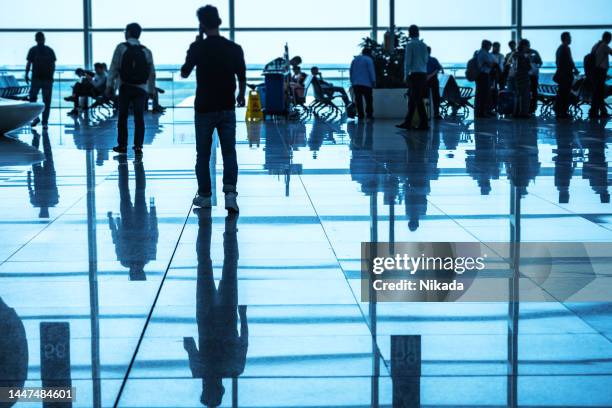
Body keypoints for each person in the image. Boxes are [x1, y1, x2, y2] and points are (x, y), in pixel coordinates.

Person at [181, 5, 246, 213]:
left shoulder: (198, 48)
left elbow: (184, 72)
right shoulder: (233, 48)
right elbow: (242, 75)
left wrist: (194, 46)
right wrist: (241, 95)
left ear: (201, 24)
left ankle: (206, 196)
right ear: (219, 22)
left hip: (204, 108)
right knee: (229, 152)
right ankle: (230, 195)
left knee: (203, 154)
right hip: (227, 106)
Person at [106, 23, 156, 157]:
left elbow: (113, 68)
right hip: (141, 88)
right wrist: (151, 90)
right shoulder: (146, 51)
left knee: (122, 116)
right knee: (139, 117)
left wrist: (110, 86)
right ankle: (138, 146)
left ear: (128, 32)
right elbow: (151, 73)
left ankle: (122, 145)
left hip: (125, 86)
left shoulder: (121, 48)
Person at [396, 25, 429, 130]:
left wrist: (406, 76)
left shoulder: (410, 45)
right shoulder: (424, 45)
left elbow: (407, 62)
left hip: (414, 75)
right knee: (413, 98)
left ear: (410, 33)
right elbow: (426, 60)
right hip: (423, 74)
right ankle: (408, 122)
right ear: (418, 33)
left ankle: (423, 123)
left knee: (416, 98)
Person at [25, 32, 56, 129]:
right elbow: (53, 65)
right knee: (46, 101)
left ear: (36, 39)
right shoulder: (49, 50)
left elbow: (29, 63)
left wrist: (26, 74)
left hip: (37, 79)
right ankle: (44, 122)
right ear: (44, 39)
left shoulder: (33, 50)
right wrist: (51, 76)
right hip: (45, 79)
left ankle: (36, 118)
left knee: (33, 99)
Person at [554, 32, 578, 119]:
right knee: (565, 94)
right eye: (569, 37)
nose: (571, 39)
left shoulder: (559, 49)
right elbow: (570, 61)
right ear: (566, 38)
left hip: (561, 75)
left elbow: (558, 62)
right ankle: (563, 112)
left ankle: (559, 111)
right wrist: (575, 70)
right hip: (566, 75)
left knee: (561, 93)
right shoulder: (566, 48)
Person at [590, 31, 612, 119]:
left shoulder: (595, 46)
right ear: (607, 38)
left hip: (594, 72)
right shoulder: (604, 46)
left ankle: (600, 111)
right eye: (610, 39)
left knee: (597, 93)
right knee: (599, 92)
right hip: (600, 72)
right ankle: (595, 112)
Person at [349, 47, 376, 120]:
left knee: (358, 100)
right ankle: (369, 115)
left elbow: (351, 71)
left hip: (356, 84)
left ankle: (361, 115)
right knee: (368, 100)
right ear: (369, 53)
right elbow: (371, 71)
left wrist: (352, 81)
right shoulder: (369, 60)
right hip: (366, 84)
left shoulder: (355, 60)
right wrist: (373, 81)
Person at [475, 40, 494, 118]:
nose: (490, 48)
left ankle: (481, 111)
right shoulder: (484, 53)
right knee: (484, 94)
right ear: (486, 45)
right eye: (490, 46)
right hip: (484, 75)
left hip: (480, 75)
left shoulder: (479, 52)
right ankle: (482, 112)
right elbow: (490, 64)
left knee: (481, 94)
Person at [513, 39, 532, 118]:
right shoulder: (522, 56)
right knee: (524, 95)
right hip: (523, 77)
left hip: (518, 77)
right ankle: (523, 113)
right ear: (524, 46)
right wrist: (528, 59)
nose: (529, 47)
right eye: (528, 45)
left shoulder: (516, 55)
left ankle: (517, 112)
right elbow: (527, 67)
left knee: (519, 95)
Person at [525, 40, 542, 114]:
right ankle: (529, 107)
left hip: (532, 75)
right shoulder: (533, 52)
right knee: (530, 92)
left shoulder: (534, 52)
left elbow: (540, 62)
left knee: (533, 92)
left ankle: (532, 107)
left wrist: (536, 66)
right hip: (529, 75)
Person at [426, 46, 443, 119]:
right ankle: (436, 113)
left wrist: (428, 76)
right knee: (436, 97)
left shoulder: (422, 60)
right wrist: (431, 75)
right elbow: (439, 68)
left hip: (425, 78)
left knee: (425, 97)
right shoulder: (433, 59)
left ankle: (426, 114)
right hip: (433, 79)